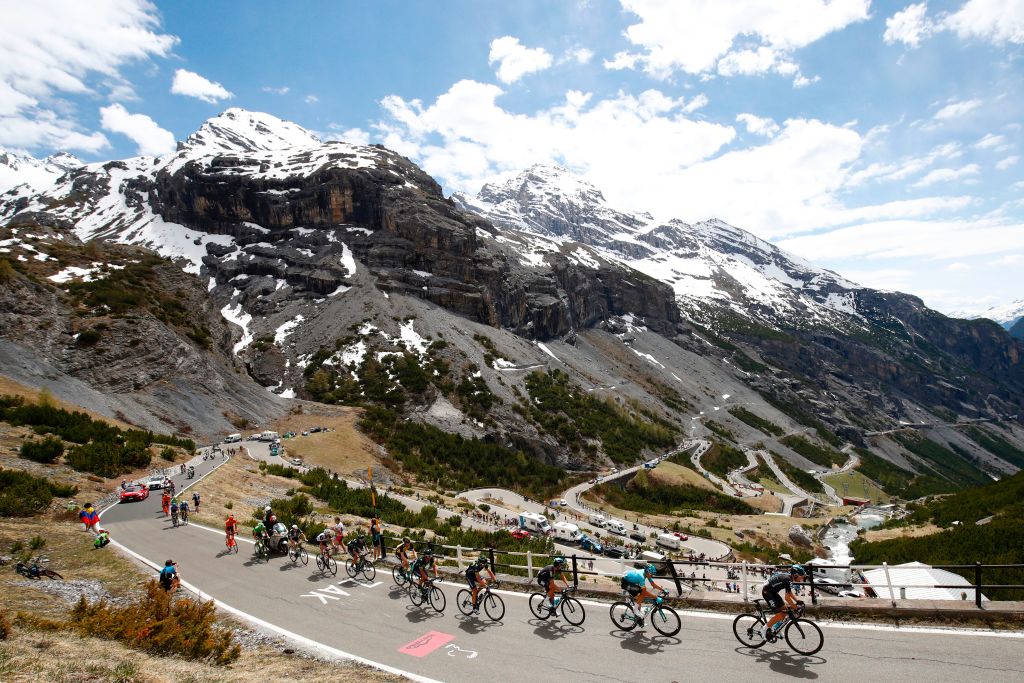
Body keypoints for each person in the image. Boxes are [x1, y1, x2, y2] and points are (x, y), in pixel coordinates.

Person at [762, 565, 806, 637]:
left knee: (785, 611)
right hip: (767, 593)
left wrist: (797, 601)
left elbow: (789, 593)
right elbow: (787, 598)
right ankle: (764, 629)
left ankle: (775, 628)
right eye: (801, 577)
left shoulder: (789, 578)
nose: (801, 579)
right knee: (780, 615)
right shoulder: (787, 580)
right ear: (795, 575)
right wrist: (796, 608)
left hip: (773, 592)